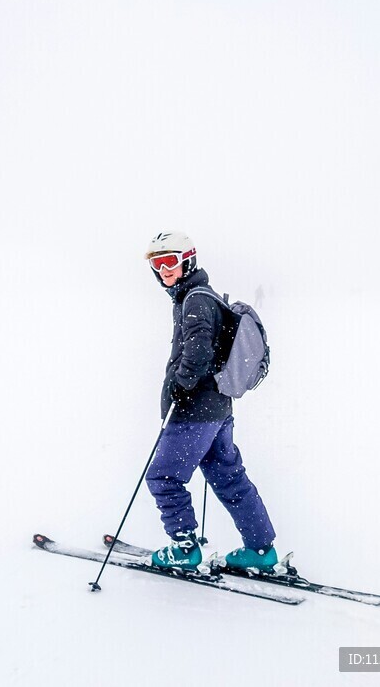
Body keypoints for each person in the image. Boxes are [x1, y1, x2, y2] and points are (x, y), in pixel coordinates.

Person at [143, 231, 279, 573]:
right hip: (217, 408)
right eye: (156, 264)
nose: (163, 271)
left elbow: (199, 349)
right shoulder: (204, 297)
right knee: (229, 476)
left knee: (163, 477)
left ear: (187, 260)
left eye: (170, 262)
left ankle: (184, 548)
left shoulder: (194, 300)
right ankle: (261, 550)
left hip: (195, 411)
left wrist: (180, 384)